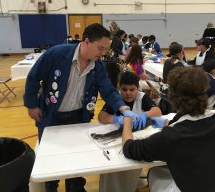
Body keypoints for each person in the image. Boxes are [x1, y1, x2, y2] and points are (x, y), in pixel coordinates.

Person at [24, 23, 139, 192]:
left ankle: (76, 187)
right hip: (51, 116)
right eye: (100, 48)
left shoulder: (97, 66)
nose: (103, 53)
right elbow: (33, 78)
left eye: (105, 50)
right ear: (86, 42)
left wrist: (123, 109)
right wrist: (32, 105)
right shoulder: (56, 54)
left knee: (77, 156)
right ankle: (51, 187)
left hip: (78, 116)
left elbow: (108, 90)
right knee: (51, 158)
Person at [122, 67, 215, 192]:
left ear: (173, 96)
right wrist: (170, 123)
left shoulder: (172, 136)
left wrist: (127, 121)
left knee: (155, 173)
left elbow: (130, 149)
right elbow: (191, 126)